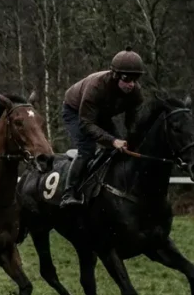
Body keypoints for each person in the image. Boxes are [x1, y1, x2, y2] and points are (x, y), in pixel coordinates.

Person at [58, 47, 145, 207]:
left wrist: (133, 141)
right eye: (126, 79)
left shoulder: (135, 93)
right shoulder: (96, 87)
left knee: (120, 149)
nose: (131, 84)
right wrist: (112, 141)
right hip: (76, 111)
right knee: (87, 149)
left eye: (135, 79)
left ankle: (102, 186)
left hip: (101, 115)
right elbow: (86, 123)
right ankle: (69, 193)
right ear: (115, 75)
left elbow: (132, 123)